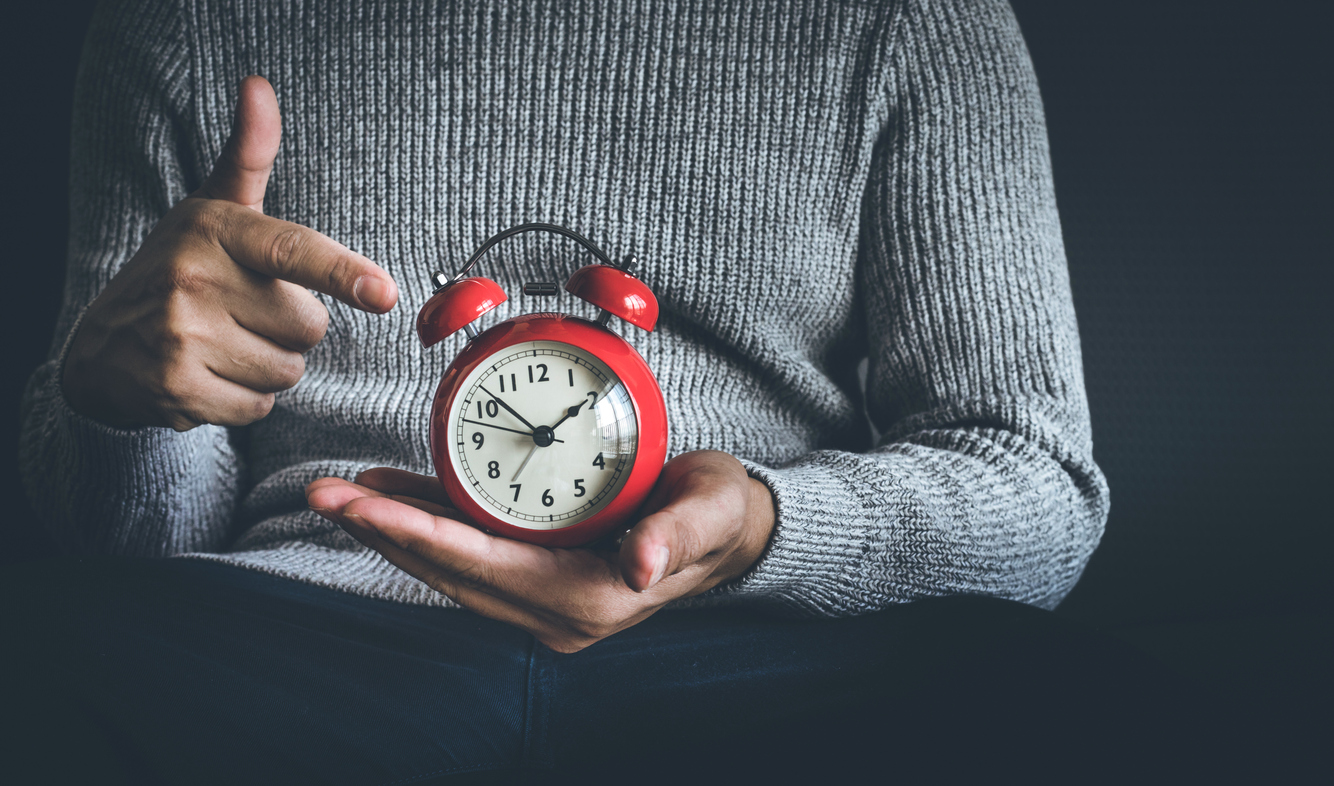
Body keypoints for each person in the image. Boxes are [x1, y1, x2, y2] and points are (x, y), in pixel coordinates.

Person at [8, 0, 1171, 782]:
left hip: (763, 641)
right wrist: (122, 407)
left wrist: (770, 527)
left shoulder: (907, 24)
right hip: (291, 634)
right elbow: (122, 546)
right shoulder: (189, 22)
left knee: (1080, 706)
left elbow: (1035, 491)